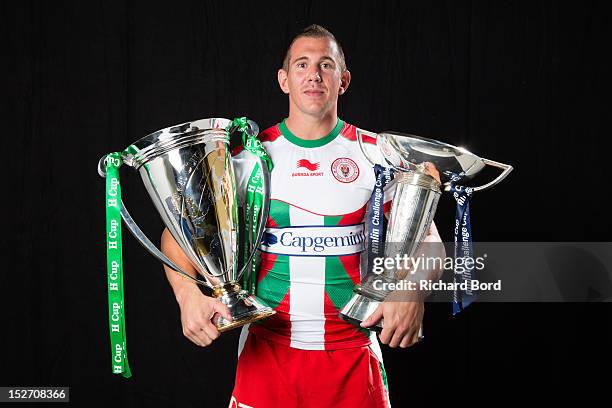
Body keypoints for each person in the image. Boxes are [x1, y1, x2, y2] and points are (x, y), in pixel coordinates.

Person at [161, 24, 443, 408]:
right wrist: (186, 295)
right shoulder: (249, 159)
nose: (314, 75)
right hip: (266, 358)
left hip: (353, 358)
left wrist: (414, 289)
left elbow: (430, 242)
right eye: (302, 65)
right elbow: (178, 234)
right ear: (284, 80)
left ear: (343, 81)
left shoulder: (377, 154)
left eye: (326, 65)